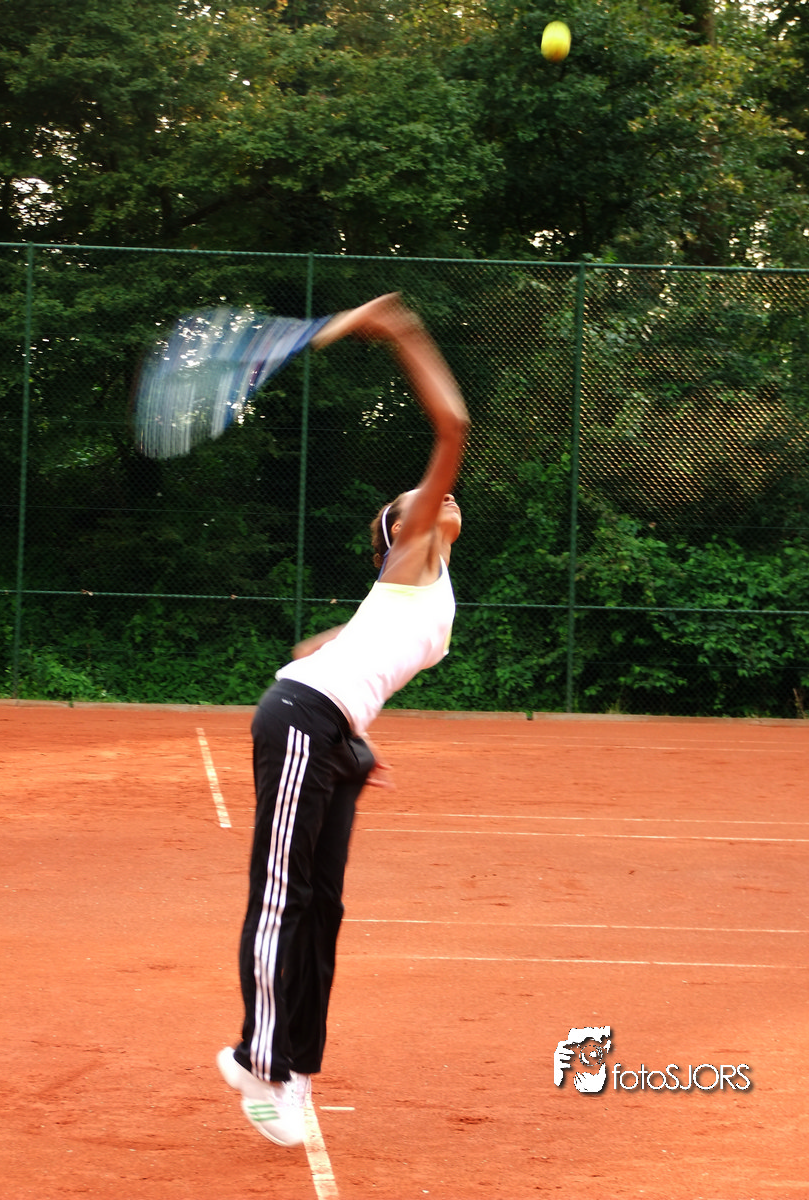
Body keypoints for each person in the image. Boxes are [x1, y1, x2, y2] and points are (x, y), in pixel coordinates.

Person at [216, 293, 470, 1147]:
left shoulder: (420, 589)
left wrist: (356, 740)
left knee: (323, 908)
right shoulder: (412, 555)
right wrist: (402, 332)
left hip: (331, 732)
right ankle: (256, 1057)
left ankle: (293, 1070)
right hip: (301, 718)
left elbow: (328, 647)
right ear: (403, 529)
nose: (435, 497)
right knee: (283, 897)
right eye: (417, 499)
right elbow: (453, 428)